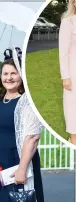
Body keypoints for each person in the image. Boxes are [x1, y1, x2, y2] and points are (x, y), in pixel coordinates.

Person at [0, 47, 45, 202]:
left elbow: (32, 137)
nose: (9, 78)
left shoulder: (27, 102)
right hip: (1, 166)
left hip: (18, 163)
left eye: (14, 73)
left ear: (22, 75)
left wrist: (22, 168)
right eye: (5, 74)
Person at [59, 0, 76, 144]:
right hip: (73, 72)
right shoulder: (68, 22)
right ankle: (73, 139)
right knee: (73, 110)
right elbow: (63, 52)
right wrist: (66, 77)